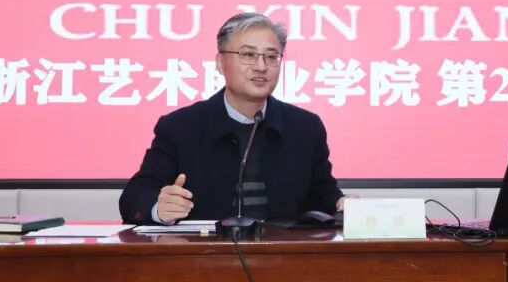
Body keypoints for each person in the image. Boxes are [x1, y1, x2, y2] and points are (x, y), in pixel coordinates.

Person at [119, 12, 346, 225]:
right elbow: (135, 197)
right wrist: (159, 208)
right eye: (248, 55)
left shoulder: (305, 127)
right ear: (220, 62)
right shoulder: (180, 127)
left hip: (283, 252)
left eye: (271, 57)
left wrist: (341, 204)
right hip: (206, 252)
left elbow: (323, 195)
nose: (261, 66)